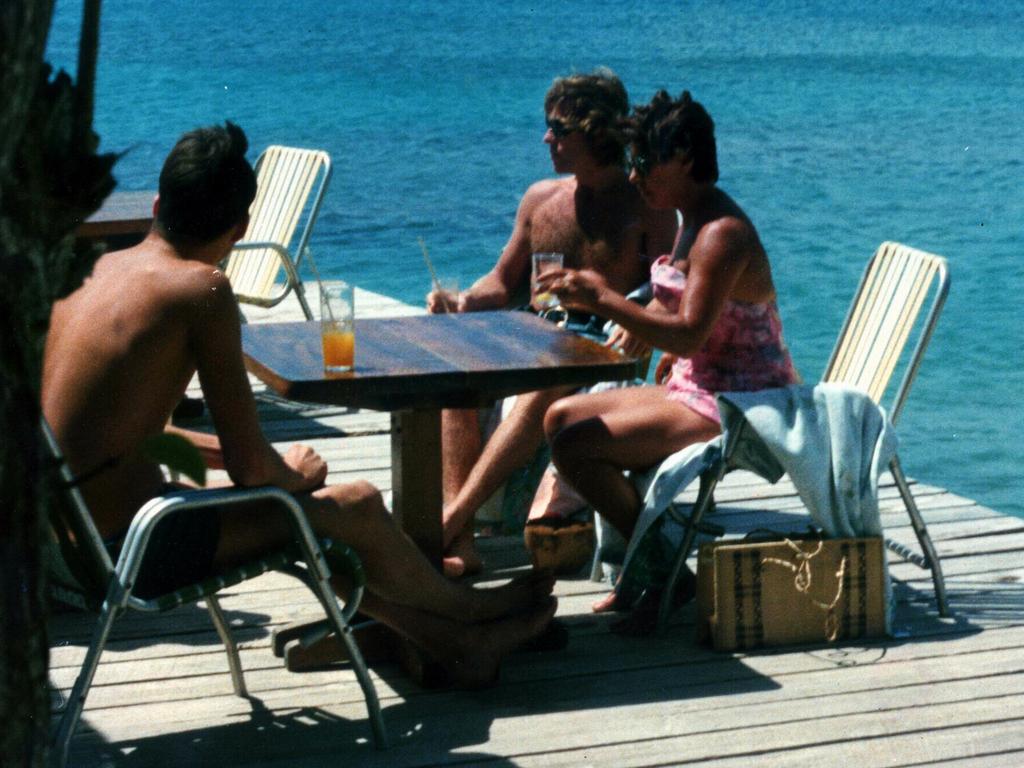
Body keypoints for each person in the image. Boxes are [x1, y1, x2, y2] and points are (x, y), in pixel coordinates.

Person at [41, 122, 556, 688]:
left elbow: (125, 434)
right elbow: (250, 470)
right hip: (133, 550)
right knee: (353, 503)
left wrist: (274, 471)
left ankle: (459, 642)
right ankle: (472, 610)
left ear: (159, 203)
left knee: (308, 519)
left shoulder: (87, 269)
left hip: (60, 543)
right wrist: (293, 471)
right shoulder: (201, 289)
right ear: (241, 227)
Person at [535, 90, 800, 619]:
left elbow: (687, 335)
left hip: (744, 401)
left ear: (683, 159)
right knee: (558, 417)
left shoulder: (722, 233)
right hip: (701, 384)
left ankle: (663, 574)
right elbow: (682, 325)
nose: (633, 176)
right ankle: (648, 566)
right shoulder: (690, 217)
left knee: (579, 447)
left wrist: (603, 299)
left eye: (642, 162)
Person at [426, 70, 678, 578]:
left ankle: (450, 520)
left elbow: (671, 287)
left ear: (599, 132)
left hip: (602, 352)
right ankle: (465, 539)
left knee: (551, 378)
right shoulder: (541, 200)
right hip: (532, 334)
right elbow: (502, 281)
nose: (547, 138)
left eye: (560, 130)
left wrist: (648, 317)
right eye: (548, 127)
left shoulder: (647, 208)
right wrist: (462, 302)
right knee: (455, 377)